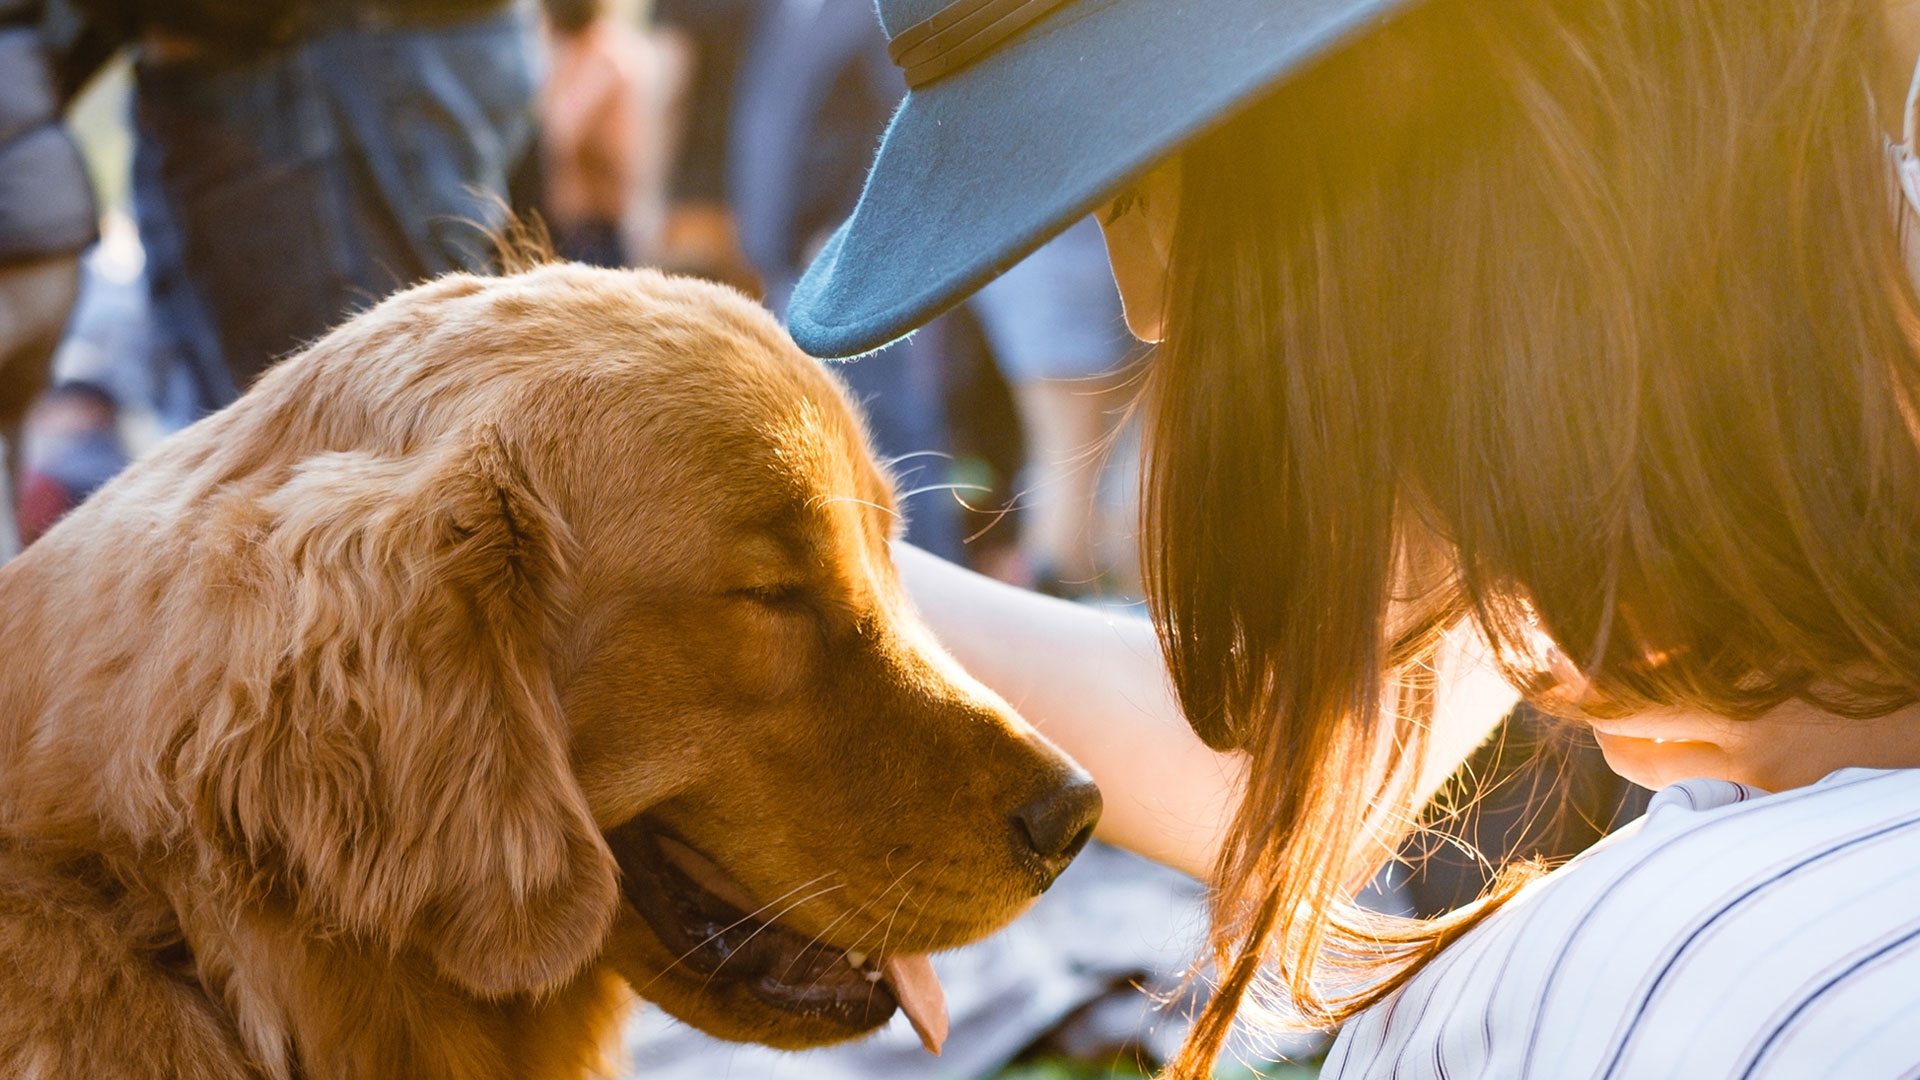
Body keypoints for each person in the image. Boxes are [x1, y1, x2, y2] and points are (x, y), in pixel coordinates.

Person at [783, 0, 1920, 1076]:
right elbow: (1296, 758)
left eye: (1127, 191)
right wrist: (789, 578)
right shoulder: (1592, 351)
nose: (1142, 306)